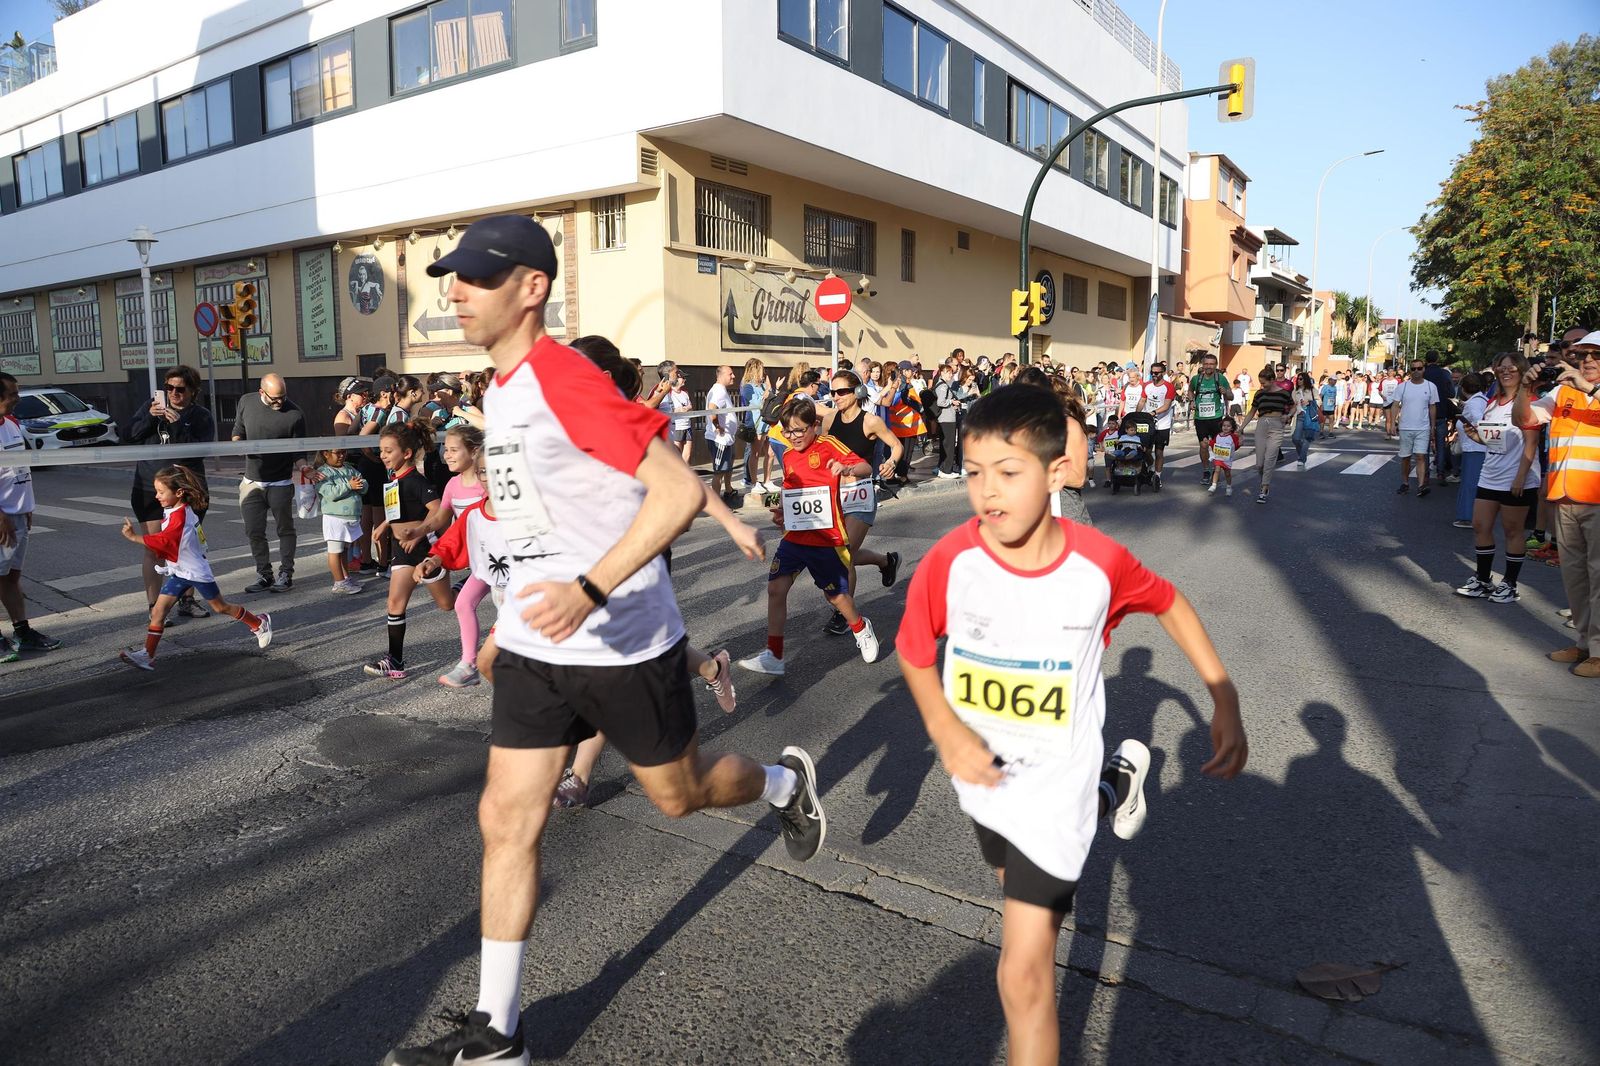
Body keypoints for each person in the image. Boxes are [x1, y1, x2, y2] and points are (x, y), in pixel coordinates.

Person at [383, 215, 826, 1065]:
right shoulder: (501, 389)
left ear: (532, 288)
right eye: (453, 277)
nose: (456, 291)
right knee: (505, 819)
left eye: (476, 277)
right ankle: (497, 1031)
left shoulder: (563, 379)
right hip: (536, 647)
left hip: (623, 644)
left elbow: (676, 491)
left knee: (680, 794)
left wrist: (591, 588)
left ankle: (779, 782)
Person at [897, 384, 1246, 1066]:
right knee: (1009, 889)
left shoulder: (1096, 565)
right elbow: (913, 650)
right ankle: (1115, 788)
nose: (987, 493)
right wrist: (944, 725)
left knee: (1022, 975)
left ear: (1057, 473)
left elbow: (1169, 602)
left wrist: (1221, 694)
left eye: (1008, 472)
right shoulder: (951, 560)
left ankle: (1097, 791)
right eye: (973, 474)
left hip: (1056, 785)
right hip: (988, 782)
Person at [738, 395, 880, 675]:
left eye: (799, 430)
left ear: (814, 425)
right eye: (788, 431)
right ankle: (774, 656)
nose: (793, 437)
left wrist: (846, 468)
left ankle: (861, 628)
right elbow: (791, 494)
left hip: (826, 539)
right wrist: (781, 511)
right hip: (795, 538)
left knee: (837, 597)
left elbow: (866, 467)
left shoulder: (828, 446)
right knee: (775, 589)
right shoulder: (789, 455)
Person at [116, 466, 272, 670]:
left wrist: (135, 537)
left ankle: (258, 623)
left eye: (161, 492)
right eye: (156, 491)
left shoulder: (180, 515)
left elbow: (165, 540)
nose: (157, 496)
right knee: (158, 611)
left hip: (195, 571)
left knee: (220, 607)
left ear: (179, 493)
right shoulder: (176, 509)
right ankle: (148, 655)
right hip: (181, 571)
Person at [1520, 331, 1600, 678]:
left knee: (1599, 579)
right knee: (1576, 579)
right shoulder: (1562, 390)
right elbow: (1525, 420)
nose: (1588, 362)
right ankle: (1583, 643)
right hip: (1565, 497)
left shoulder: (1589, 389)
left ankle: (1598, 650)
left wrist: (1590, 389)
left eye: (1596, 356)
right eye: (1583, 356)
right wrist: (1525, 389)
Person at [363, 420, 457, 679]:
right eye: (381, 450)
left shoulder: (417, 480)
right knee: (394, 602)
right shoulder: (393, 479)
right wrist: (384, 524)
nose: (383, 455)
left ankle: (468, 586)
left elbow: (438, 511)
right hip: (401, 552)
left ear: (406, 453)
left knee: (447, 604)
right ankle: (395, 661)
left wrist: (420, 534)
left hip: (425, 550)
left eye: (388, 451)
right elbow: (399, 511)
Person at [125, 364, 217, 619]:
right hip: (149, 487)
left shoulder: (200, 416)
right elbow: (129, 435)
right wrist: (151, 418)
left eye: (180, 389)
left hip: (187, 490)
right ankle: (155, 607)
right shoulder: (151, 407)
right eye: (169, 388)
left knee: (188, 546)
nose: (174, 393)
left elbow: (200, 451)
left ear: (193, 391)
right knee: (155, 548)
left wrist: (178, 426)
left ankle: (187, 601)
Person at [402, 423, 488, 686]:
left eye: (453, 450)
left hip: (493, 556)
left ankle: (472, 664)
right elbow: (441, 517)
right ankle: (472, 665)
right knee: (457, 603)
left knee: (468, 604)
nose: (446, 455)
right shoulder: (452, 484)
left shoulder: (489, 484)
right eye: (445, 450)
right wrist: (419, 530)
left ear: (474, 452)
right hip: (474, 559)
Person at [820, 370, 903, 636]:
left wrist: (891, 462)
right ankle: (885, 562)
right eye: (833, 392)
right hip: (834, 497)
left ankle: (843, 614)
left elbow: (896, 445)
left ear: (857, 392)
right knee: (846, 554)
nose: (836, 397)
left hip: (860, 496)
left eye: (841, 392)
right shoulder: (830, 419)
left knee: (843, 555)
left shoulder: (871, 421)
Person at [1455, 354, 1540, 604]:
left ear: (1522, 371)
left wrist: (1521, 477)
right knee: (1481, 526)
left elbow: (1531, 443)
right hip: (1490, 475)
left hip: (1517, 478)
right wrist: (1475, 435)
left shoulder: (1531, 402)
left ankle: (1510, 584)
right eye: (1501, 368)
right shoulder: (1492, 402)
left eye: (1512, 368)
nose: (1506, 372)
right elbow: (1493, 441)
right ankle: (1483, 579)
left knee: (1513, 531)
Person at [0, 372, 61, 660]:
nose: (17, 398)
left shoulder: (11, 424)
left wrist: (27, 507)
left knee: (11, 578)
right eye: (12, 393)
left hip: (19, 515)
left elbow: (20, 470)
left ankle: (22, 633)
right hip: (2, 519)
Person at [232, 373, 310, 593]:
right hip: (252, 481)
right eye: (275, 398)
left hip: (280, 481)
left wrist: (304, 467)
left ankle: (286, 574)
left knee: (285, 529)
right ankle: (264, 574)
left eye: (283, 397)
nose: (279, 402)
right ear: (261, 392)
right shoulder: (247, 402)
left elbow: (299, 450)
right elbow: (238, 432)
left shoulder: (294, 413)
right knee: (254, 531)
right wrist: (238, 446)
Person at [313, 447, 366, 593]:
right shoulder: (322, 473)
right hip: (334, 517)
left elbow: (363, 483)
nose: (342, 456)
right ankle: (339, 582)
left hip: (350, 517)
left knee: (344, 550)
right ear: (326, 453)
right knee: (335, 551)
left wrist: (360, 485)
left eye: (344, 452)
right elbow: (330, 493)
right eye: (338, 453)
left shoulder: (349, 468)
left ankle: (345, 577)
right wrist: (349, 485)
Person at [1236, 373, 1293, 505]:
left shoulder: (1284, 393)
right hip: (1262, 424)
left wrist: (1288, 415)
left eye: (1264, 383)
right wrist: (1241, 427)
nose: (1262, 385)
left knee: (1270, 458)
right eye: (1261, 382)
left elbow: (1293, 406)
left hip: (1277, 425)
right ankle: (1264, 481)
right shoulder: (1259, 394)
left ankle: (1264, 488)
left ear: (1272, 380)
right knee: (1259, 464)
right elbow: (1252, 411)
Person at [1392, 358, 1440, 497]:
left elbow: (1432, 407)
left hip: (1423, 427)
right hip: (1406, 427)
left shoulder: (1431, 386)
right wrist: (1392, 423)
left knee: (1420, 456)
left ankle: (1421, 486)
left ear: (1424, 369)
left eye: (1419, 368)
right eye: (1413, 369)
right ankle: (1405, 483)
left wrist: (1432, 426)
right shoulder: (1403, 386)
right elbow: (1395, 404)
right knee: (1406, 457)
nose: (1416, 371)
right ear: (1410, 370)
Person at [1452, 373, 1488, 529]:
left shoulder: (1474, 404)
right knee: (1472, 483)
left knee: (1469, 483)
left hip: (1475, 447)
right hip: (1476, 447)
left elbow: (1480, 421)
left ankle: (1467, 516)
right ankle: (1471, 515)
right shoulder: (1480, 400)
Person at [1189, 354, 1230, 484]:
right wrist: (1191, 401)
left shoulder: (1220, 378)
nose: (1208, 366)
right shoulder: (1196, 379)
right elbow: (1190, 391)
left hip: (1216, 417)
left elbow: (1231, 396)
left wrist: (1225, 392)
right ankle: (1206, 470)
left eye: (1211, 364)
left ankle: (1216, 469)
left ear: (1215, 365)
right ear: (1202, 364)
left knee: (1216, 446)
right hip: (1200, 417)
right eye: (1206, 364)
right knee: (1203, 444)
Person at [704, 364, 738, 503]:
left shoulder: (721, 390)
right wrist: (717, 426)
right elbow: (712, 409)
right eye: (730, 374)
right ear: (721, 375)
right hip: (719, 440)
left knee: (727, 467)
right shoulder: (719, 391)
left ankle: (728, 491)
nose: (733, 376)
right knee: (719, 472)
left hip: (726, 439)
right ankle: (716, 503)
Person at [739, 358, 774, 492]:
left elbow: (770, 398)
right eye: (761, 369)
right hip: (756, 423)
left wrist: (770, 389)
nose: (763, 372)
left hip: (767, 423)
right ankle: (754, 481)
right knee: (755, 453)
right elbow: (755, 403)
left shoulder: (762, 385)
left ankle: (767, 480)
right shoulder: (747, 386)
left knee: (770, 453)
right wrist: (767, 393)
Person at [1423, 351, 1458, 483]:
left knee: (1424, 446)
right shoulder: (1444, 374)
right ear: (1437, 359)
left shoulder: (1423, 373)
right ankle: (1441, 473)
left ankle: (1424, 473)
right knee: (1441, 445)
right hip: (1441, 412)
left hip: (1425, 413)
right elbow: (1451, 393)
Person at [1139, 361, 1176, 485]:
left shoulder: (1169, 387)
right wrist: (1136, 415)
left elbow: (1166, 405)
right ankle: (1150, 467)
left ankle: (1158, 476)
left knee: (1159, 451)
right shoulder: (1147, 385)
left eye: (1156, 373)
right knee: (1146, 451)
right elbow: (1142, 401)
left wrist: (1153, 413)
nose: (1154, 375)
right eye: (1152, 372)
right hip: (1148, 424)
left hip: (1162, 424)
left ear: (1163, 373)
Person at [933, 364, 962, 478]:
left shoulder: (942, 384)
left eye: (951, 372)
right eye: (948, 372)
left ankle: (942, 467)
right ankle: (946, 470)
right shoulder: (943, 386)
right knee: (948, 445)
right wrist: (951, 402)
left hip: (945, 417)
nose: (950, 375)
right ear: (942, 373)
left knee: (945, 444)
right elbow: (941, 402)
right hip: (947, 418)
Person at [1290, 372, 1321, 468]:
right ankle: (1302, 453)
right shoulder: (1295, 391)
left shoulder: (1312, 390)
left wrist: (1310, 401)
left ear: (1305, 380)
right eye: (1298, 379)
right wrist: (1289, 415)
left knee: (1307, 438)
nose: (1298, 381)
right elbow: (1294, 405)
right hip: (1299, 416)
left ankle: (1301, 459)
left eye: (1301, 379)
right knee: (1295, 438)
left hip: (1310, 415)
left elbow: (1319, 401)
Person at [1207, 416, 1241, 496]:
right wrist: (1209, 442)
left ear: (1232, 428)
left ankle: (1229, 486)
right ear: (1221, 426)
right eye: (1224, 426)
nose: (1225, 427)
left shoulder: (1233, 437)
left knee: (1227, 474)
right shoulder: (1218, 435)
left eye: (1228, 426)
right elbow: (1214, 443)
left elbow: (1236, 446)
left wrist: (1240, 442)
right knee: (1217, 469)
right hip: (1218, 457)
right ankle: (1214, 485)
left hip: (1227, 459)